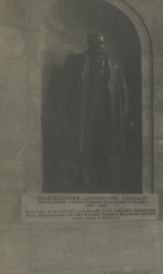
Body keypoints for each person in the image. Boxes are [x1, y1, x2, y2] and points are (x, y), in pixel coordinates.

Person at [54, 31, 132, 192]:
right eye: (97, 42)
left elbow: (123, 93)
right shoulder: (76, 61)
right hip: (84, 111)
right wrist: (61, 112)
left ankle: (103, 177)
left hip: (107, 114)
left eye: (103, 43)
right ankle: (83, 178)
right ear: (90, 43)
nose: (101, 46)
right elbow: (64, 89)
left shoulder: (114, 65)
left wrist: (123, 116)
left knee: (105, 145)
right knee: (83, 145)